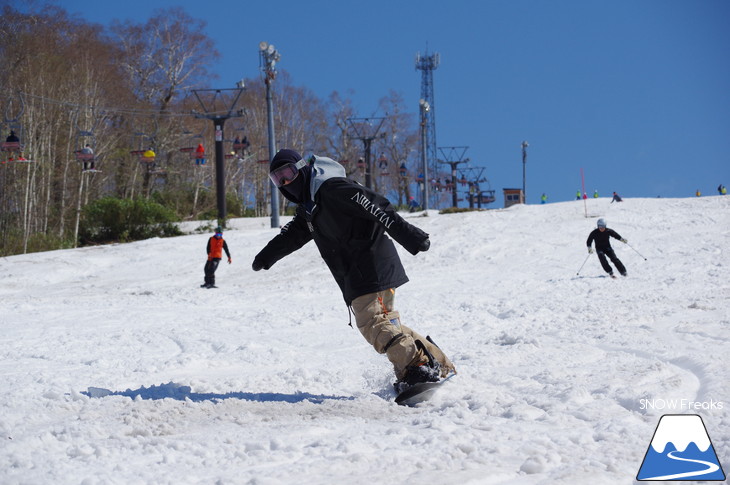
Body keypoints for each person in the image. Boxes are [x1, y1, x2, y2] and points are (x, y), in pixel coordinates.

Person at [251, 149, 455, 392]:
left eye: (288, 173)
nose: (285, 182)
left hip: (369, 264)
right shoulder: (310, 207)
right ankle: (437, 365)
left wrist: (411, 236)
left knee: (371, 322)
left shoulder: (333, 189)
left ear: (303, 167)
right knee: (384, 322)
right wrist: (266, 256)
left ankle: (416, 366)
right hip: (357, 271)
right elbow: (292, 235)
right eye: (278, 179)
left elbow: (376, 205)